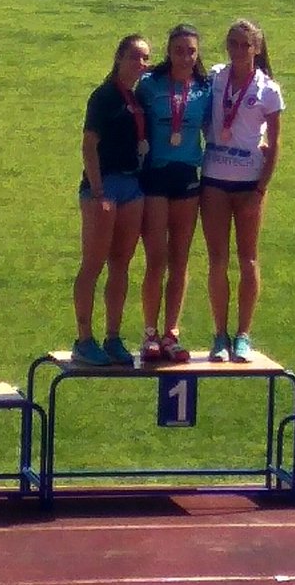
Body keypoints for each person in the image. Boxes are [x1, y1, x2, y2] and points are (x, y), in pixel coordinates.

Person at [200, 19, 285, 363]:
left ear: (257, 48)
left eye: (244, 45)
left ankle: (243, 336)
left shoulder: (268, 89)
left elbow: (276, 142)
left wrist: (261, 188)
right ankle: (220, 335)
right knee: (217, 259)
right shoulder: (216, 77)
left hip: (249, 183)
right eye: (232, 43)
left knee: (248, 258)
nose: (237, 51)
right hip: (214, 179)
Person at [72, 35, 152, 366]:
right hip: (103, 188)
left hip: (132, 186)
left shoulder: (137, 98)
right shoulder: (104, 96)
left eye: (146, 58)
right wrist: (99, 190)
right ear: (119, 58)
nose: (141, 64)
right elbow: (89, 146)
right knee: (93, 263)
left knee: (121, 264)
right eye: (134, 57)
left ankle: (113, 337)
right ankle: (84, 339)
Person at [136, 24, 214, 363]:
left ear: (198, 55)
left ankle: (172, 333)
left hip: (187, 178)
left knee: (180, 259)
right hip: (155, 176)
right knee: (157, 258)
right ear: (169, 51)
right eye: (179, 50)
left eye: (191, 51)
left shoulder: (204, 89)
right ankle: (150, 333)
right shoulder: (150, 86)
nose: (185, 56)